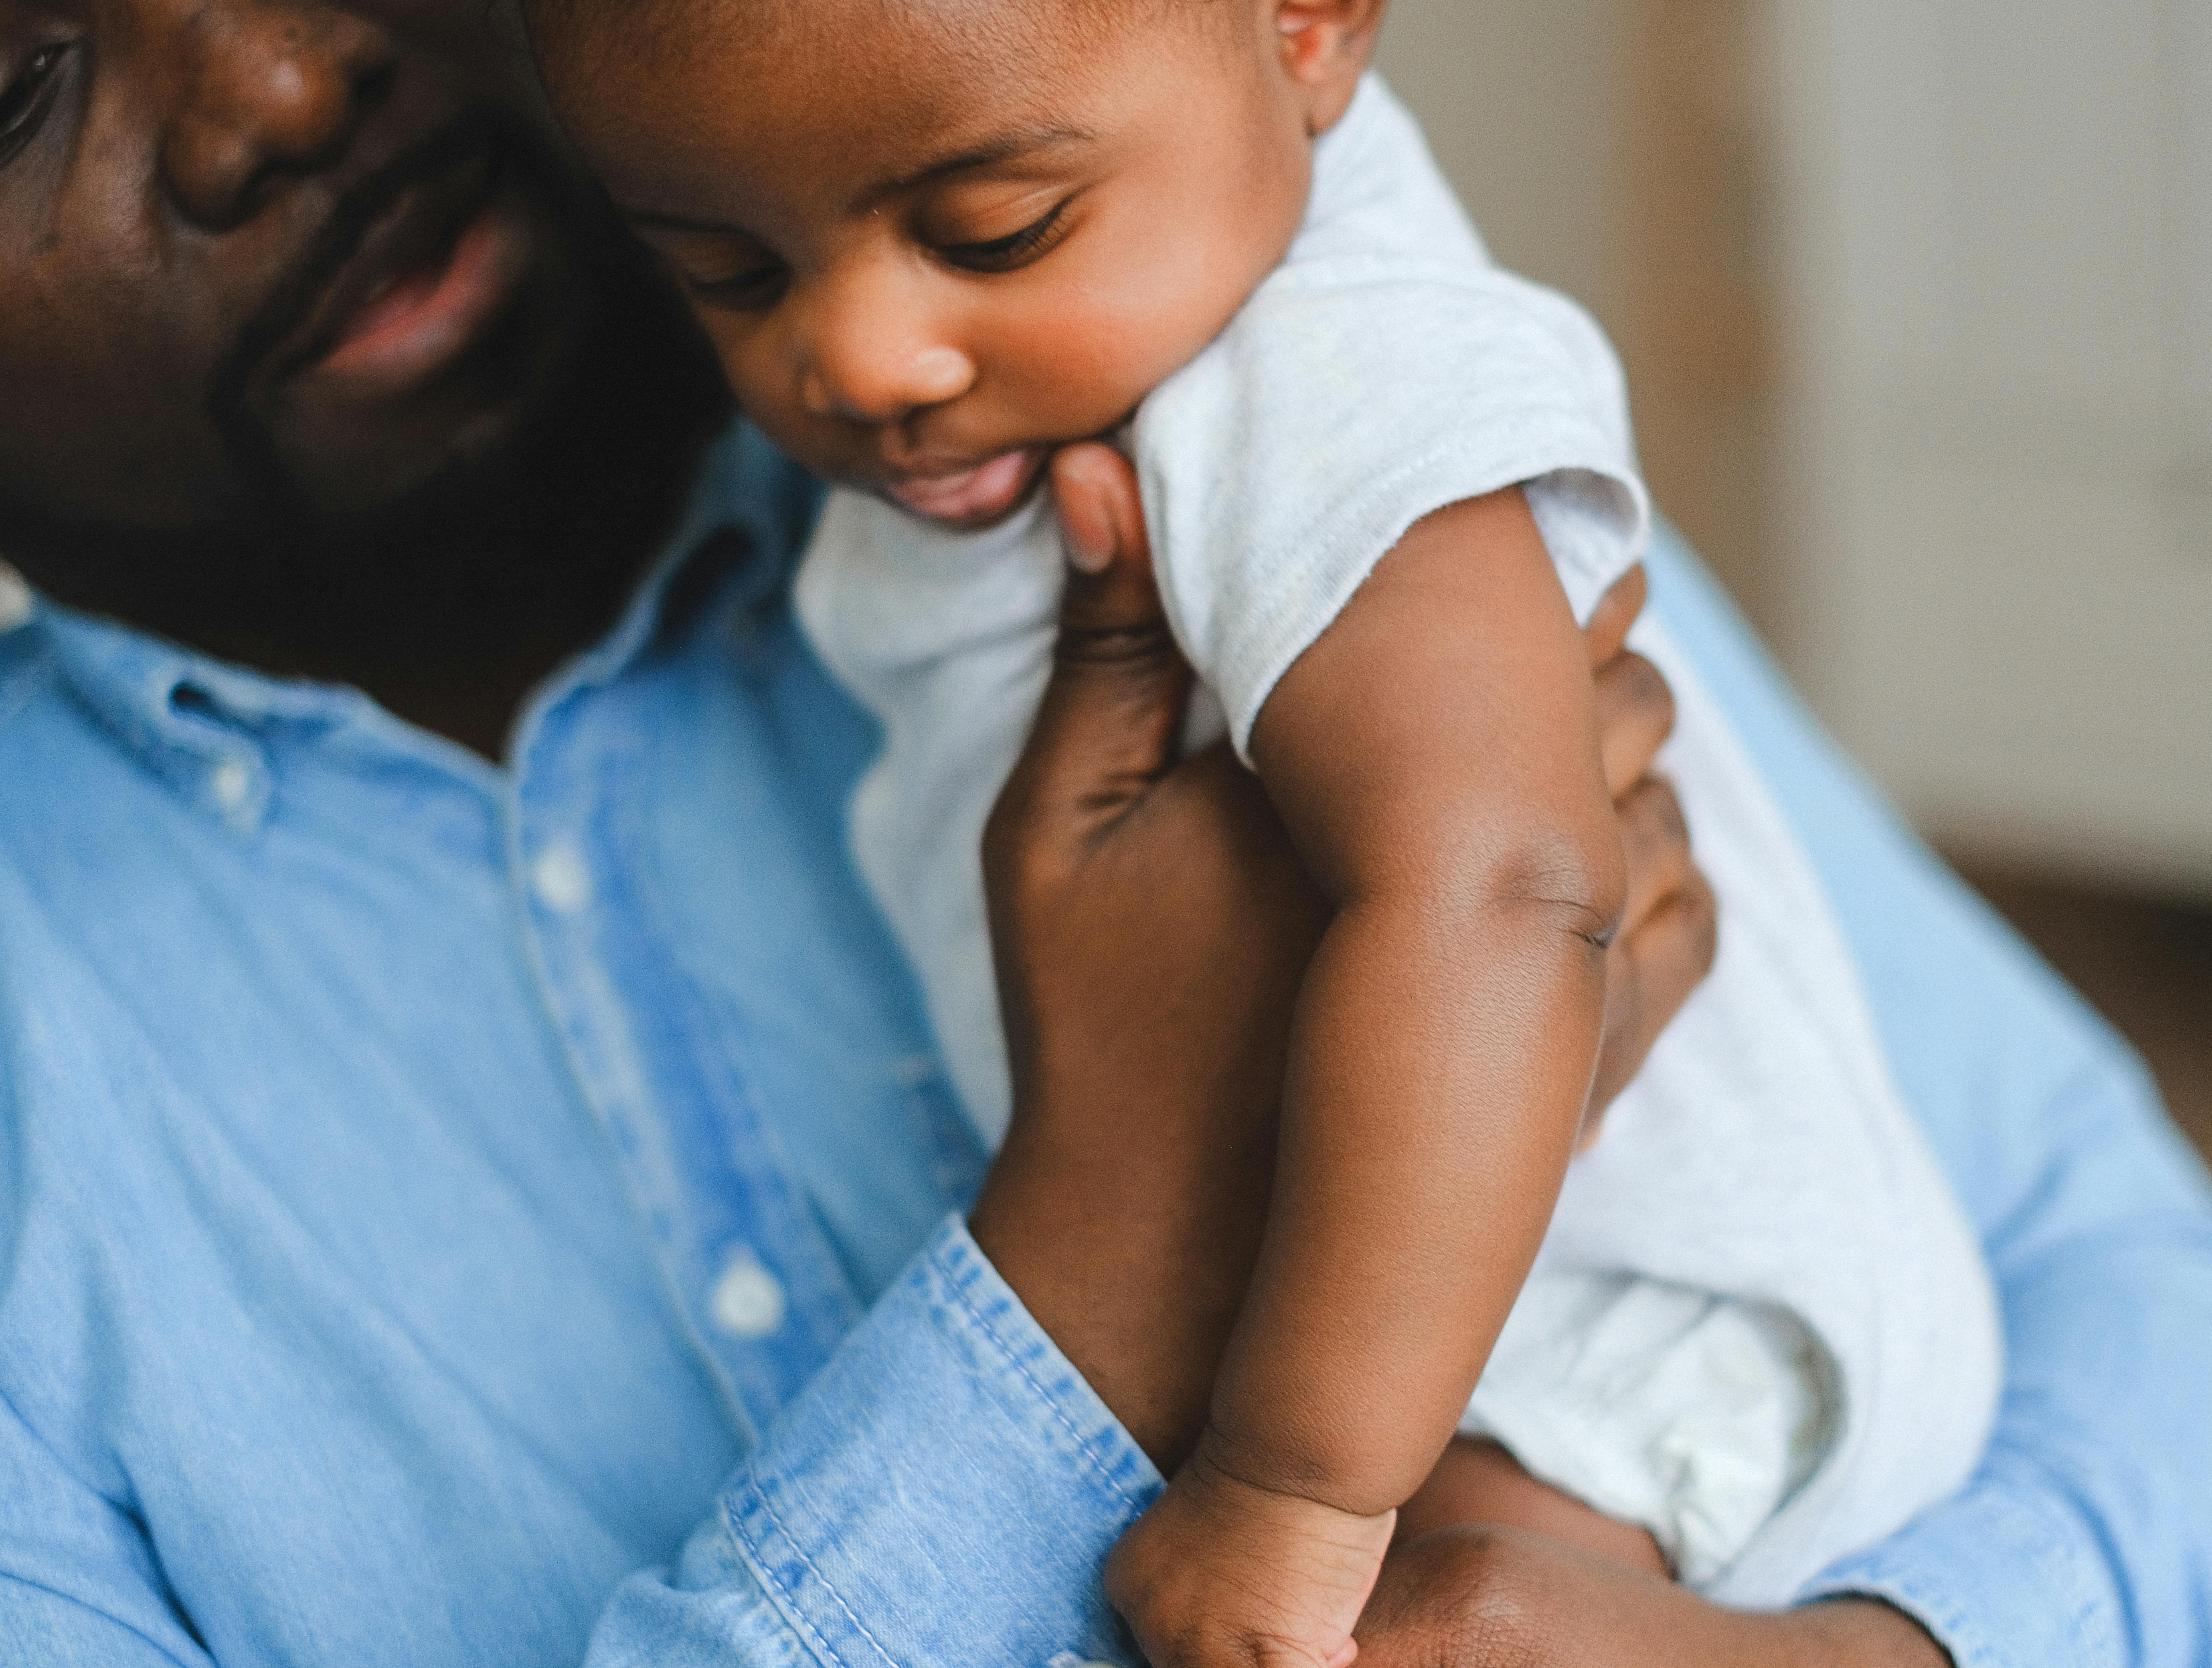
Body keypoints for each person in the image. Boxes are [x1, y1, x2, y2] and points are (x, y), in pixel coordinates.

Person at [0, 2, 2212, 1668]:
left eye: (981, 223)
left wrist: (1853, 1664)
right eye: (20, 79)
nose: (282, 84)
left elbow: (2163, 1305)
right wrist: (1109, 1246)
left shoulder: (1246, 391)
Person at [519, 0, 2000, 1656]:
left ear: (1308, 28)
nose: (857, 357)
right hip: (1427, 1326)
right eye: (730, 270)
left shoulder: (1328, 376)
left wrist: (1294, 1487)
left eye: (994, 230)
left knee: (1417, 1627)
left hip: (1610, 1316)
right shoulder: (1096, 325)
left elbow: (1506, 881)